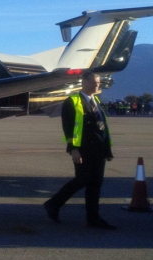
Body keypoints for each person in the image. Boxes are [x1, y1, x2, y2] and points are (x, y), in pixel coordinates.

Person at [44, 70, 116, 230]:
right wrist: (73, 149)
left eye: (98, 82)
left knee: (95, 184)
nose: (98, 85)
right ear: (84, 82)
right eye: (95, 82)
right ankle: (53, 204)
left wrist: (107, 150)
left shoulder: (95, 101)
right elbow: (68, 128)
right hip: (84, 149)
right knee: (82, 180)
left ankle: (93, 218)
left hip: (99, 150)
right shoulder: (72, 101)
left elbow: (102, 128)